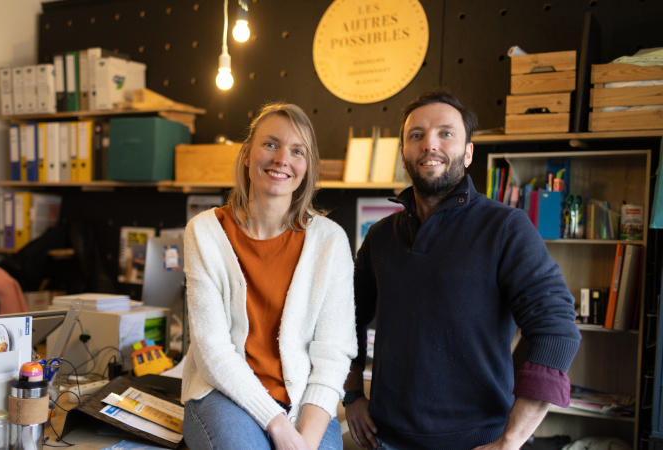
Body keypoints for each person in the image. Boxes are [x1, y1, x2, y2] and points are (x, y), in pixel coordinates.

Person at [343, 89, 581, 450]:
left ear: (468, 152)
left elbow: (558, 331)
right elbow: (347, 320)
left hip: (477, 442)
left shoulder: (506, 228)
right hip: (384, 439)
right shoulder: (380, 236)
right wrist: (352, 394)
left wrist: (511, 440)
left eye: (446, 133)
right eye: (416, 135)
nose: (429, 144)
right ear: (404, 154)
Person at [181, 102, 357, 450]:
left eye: (297, 151)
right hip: (223, 394)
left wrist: (302, 440)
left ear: (307, 167)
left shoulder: (330, 241)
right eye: (270, 144)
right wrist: (277, 425)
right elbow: (213, 351)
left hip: (302, 402)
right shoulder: (204, 232)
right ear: (247, 155)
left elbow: (332, 354)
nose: (282, 159)